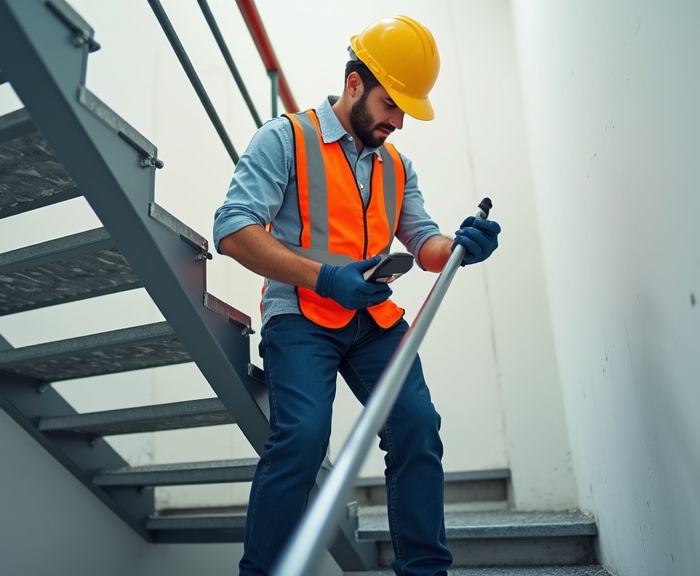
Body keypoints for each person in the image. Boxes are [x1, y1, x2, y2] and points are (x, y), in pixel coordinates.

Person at [213, 14, 501, 576]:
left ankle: (424, 570)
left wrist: (461, 246)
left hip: (372, 318)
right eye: (392, 105)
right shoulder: (285, 138)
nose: (398, 121)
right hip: (301, 315)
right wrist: (324, 277)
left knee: (417, 424)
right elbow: (232, 230)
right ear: (354, 84)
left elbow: (423, 242)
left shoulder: (396, 164)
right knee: (301, 438)